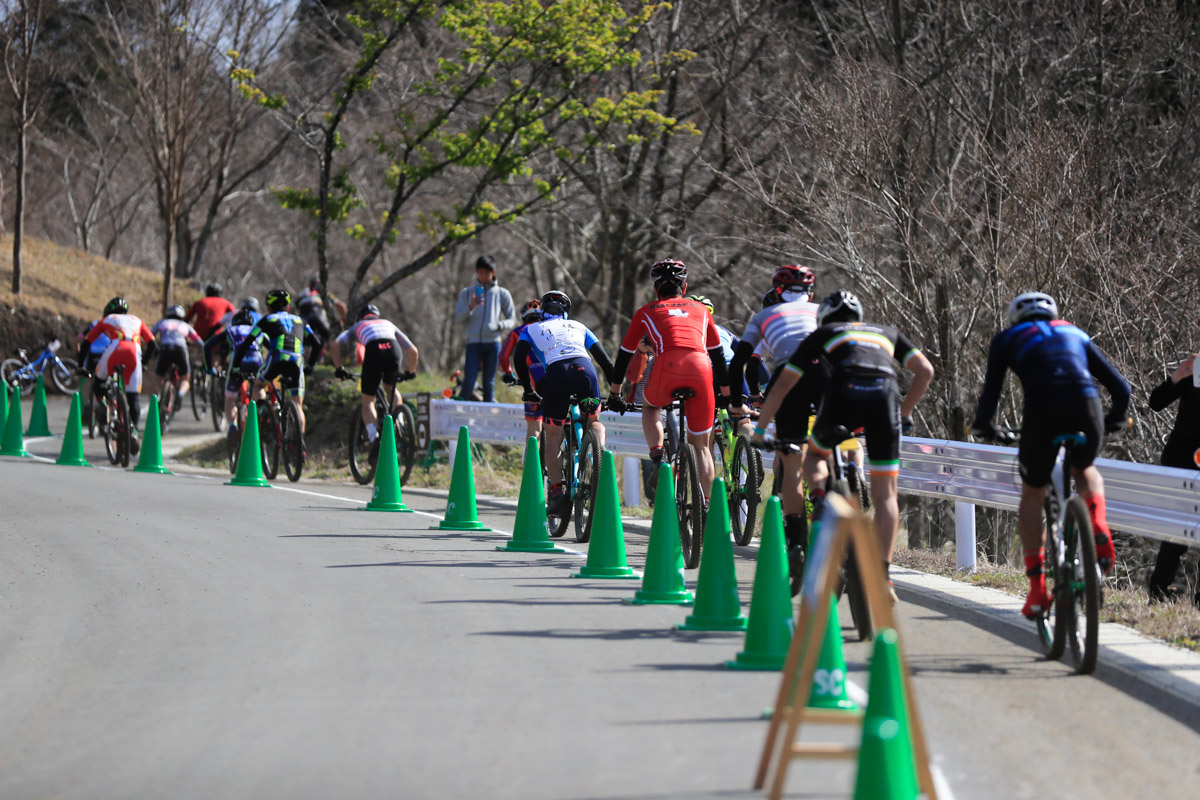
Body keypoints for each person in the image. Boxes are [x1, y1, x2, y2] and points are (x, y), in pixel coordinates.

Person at [752, 290, 935, 601]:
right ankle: (883, 575)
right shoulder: (887, 332)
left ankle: (822, 498)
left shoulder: (824, 333)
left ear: (824, 317)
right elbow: (925, 371)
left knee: (813, 457)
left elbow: (783, 383)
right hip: (885, 399)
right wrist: (904, 413)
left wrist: (759, 430)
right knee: (886, 494)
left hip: (844, 397)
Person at [971, 292, 1130, 619]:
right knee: (1084, 468)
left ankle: (1038, 590)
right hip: (1087, 406)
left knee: (1033, 493)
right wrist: (1114, 418)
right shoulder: (1075, 332)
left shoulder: (1006, 338)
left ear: (1015, 319)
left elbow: (991, 394)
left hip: (1043, 411)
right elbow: (1122, 388)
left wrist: (986, 427)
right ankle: (1098, 522)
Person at [609, 259, 730, 506]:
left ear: (656, 289)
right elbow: (717, 355)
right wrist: (727, 394)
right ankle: (708, 508)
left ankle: (658, 458)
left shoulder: (646, 311)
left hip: (667, 367)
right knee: (702, 448)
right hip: (701, 368)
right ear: (684, 287)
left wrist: (615, 392)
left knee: (651, 406)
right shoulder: (702, 311)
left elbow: (624, 355)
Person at [729, 266, 822, 560]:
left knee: (791, 462)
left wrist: (738, 403)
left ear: (777, 291)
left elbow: (740, 363)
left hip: (788, 380)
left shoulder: (765, 316)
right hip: (828, 377)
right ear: (811, 292)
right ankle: (838, 490)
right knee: (830, 448)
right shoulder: (822, 312)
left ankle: (795, 543)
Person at [512, 290, 618, 518]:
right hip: (585, 371)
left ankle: (558, 491)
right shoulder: (579, 326)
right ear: (566, 312)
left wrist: (529, 391)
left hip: (557, 374)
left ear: (542, 311)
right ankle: (594, 456)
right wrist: (616, 393)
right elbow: (605, 362)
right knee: (594, 421)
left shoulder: (531, 329)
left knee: (553, 436)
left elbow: (519, 359)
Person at [1145, 353, 1200, 606]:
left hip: (1180, 460)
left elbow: (1155, 402)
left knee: (1175, 534)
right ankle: (1160, 591)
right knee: (1176, 534)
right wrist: (1178, 377)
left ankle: (1159, 590)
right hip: (1183, 462)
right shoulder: (1193, 374)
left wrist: (1178, 379)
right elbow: (1155, 402)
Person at [332, 304, 419, 446]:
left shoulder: (357, 326)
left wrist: (339, 368)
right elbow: (413, 350)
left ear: (360, 317)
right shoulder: (388, 323)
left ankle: (374, 438)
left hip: (374, 351)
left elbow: (335, 344)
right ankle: (400, 421)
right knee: (390, 387)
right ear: (377, 316)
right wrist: (411, 372)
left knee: (368, 401)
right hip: (393, 350)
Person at [231, 289, 315, 435]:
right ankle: (300, 452)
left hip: (277, 357)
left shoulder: (266, 320)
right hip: (297, 360)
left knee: (257, 386)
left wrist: (236, 366)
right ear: (288, 307)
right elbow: (317, 343)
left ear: (269, 308)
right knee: (298, 405)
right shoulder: (301, 321)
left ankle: (268, 411)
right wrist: (310, 366)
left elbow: (247, 343)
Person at [85, 297, 156, 453]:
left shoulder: (107, 319)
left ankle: (102, 404)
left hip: (115, 349)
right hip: (135, 352)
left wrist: (79, 365)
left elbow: (87, 341)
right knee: (133, 397)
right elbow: (152, 343)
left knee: (98, 381)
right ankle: (134, 431)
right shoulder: (137, 320)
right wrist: (143, 363)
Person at [454, 255, 515, 402]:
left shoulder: (502, 293)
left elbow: (512, 319)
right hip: (473, 342)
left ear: (493, 272)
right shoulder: (467, 293)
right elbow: (457, 319)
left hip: (493, 343)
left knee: (489, 383)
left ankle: (488, 417)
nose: (482, 276)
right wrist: (471, 306)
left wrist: (500, 325)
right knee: (468, 381)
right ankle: (459, 412)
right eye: (479, 272)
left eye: (486, 273)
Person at [203, 306, 264, 430]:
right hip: (257, 362)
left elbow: (206, 346)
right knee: (259, 387)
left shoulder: (230, 330)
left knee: (230, 399)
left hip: (237, 363)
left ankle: (232, 427)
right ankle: (264, 412)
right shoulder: (258, 331)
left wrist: (209, 368)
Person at [500, 300, 547, 439]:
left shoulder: (517, 332)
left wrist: (508, 373)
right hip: (556, 374)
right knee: (559, 422)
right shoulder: (550, 328)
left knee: (534, 428)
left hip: (532, 382)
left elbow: (503, 356)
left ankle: (531, 461)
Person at [147, 305, 203, 400]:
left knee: (158, 378)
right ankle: (180, 394)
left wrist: (154, 350)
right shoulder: (185, 326)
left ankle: (154, 402)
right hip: (180, 349)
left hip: (165, 349)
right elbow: (199, 342)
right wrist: (201, 353)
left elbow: (149, 336)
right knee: (185, 379)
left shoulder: (162, 322)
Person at [297, 278, 333, 369]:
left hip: (305, 318)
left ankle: (304, 364)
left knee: (305, 342)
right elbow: (335, 307)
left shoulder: (302, 293)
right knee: (327, 337)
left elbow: (293, 308)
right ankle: (327, 360)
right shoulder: (323, 293)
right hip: (318, 318)